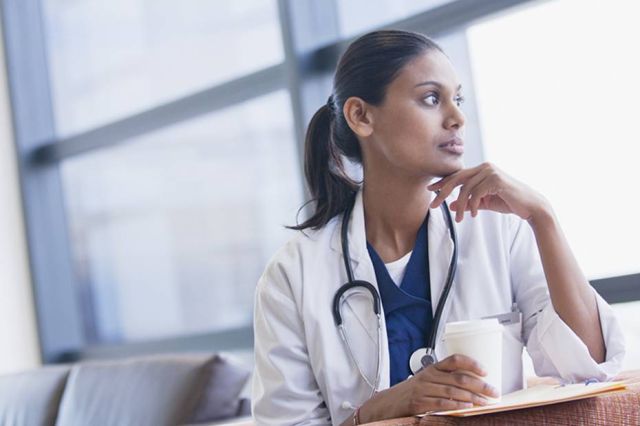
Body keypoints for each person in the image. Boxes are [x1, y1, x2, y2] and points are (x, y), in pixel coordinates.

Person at [251, 30, 625, 425]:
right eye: (432, 98)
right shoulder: (293, 274)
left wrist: (542, 219)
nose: (458, 117)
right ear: (361, 116)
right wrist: (379, 410)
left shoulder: (499, 232)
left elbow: (589, 366)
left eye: (458, 99)